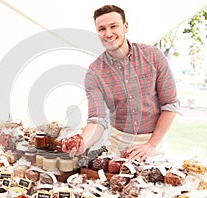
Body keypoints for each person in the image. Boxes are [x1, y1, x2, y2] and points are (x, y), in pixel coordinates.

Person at [62, 5, 180, 162]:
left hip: (154, 145)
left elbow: (170, 105)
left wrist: (150, 145)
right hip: (117, 146)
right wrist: (83, 142)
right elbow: (97, 119)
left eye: (113, 26)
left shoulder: (153, 56)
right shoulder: (94, 72)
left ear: (125, 27)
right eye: (102, 29)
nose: (108, 33)